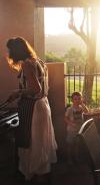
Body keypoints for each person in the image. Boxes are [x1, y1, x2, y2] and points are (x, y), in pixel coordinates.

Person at [5, 37, 57, 182]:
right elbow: (44, 88)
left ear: (16, 50)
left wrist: (17, 92)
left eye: (10, 50)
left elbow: (35, 89)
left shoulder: (27, 64)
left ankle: (37, 177)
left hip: (34, 109)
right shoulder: (39, 62)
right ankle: (42, 176)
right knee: (41, 143)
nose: (8, 53)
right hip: (43, 105)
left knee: (34, 144)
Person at [64, 91, 89, 164]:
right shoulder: (70, 109)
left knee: (77, 144)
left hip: (79, 130)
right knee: (70, 144)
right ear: (72, 100)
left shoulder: (81, 107)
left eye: (79, 99)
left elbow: (87, 111)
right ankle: (69, 159)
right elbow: (65, 118)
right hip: (71, 130)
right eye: (75, 99)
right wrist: (70, 123)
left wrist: (82, 104)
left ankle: (76, 157)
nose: (77, 100)